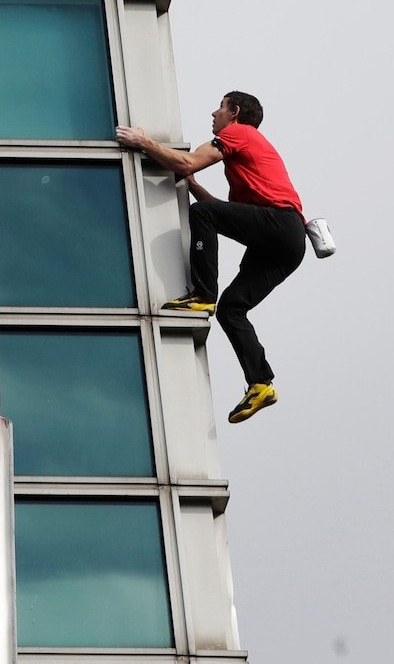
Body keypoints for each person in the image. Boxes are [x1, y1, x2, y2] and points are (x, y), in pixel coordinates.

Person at [115, 91, 306, 423]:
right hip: (287, 243)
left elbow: (190, 165)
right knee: (232, 309)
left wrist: (144, 143)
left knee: (202, 214)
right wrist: (190, 183)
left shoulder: (238, 133)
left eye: (219, 107)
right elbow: (219, 206)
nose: (213, 113)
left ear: (234, 112)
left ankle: (202, 295)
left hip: (281, 225)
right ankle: (260, 383)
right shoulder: (246, 159)